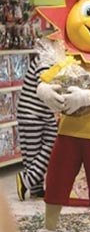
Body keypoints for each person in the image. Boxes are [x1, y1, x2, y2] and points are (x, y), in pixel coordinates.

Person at [16, 39, 59, 201]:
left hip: (37, 113)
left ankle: (34, 188)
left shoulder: (49, 59)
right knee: (43, 148)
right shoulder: (45, 60)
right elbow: (45, 79)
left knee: (33, 152)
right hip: (33, 113)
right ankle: (28, 182)